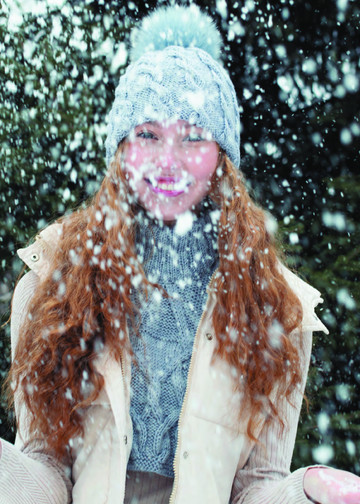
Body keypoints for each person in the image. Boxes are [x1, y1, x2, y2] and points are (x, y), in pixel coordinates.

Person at [0, 4, 359, 504]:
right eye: (148, 134)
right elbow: (45, 470)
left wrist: (306, 491)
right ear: (122, 147)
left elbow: (254, 488)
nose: (167, 161)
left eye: (192, 137)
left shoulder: (276, 306)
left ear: (222, 157)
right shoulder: (51, 281)